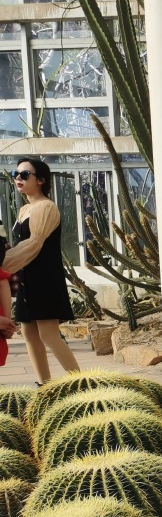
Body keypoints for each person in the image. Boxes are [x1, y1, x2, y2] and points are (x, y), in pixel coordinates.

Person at [2, 158, 77, 382]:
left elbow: (34, 244)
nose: (18, 178)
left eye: (25, 175)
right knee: (29, 334)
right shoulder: (25, 209)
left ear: (41, 180)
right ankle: (45, 387)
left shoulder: (46, 207)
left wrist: (3, 263)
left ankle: (84, 385)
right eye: (16, 174)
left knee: (49, 334)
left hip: (45, 279)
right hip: (26, 277)